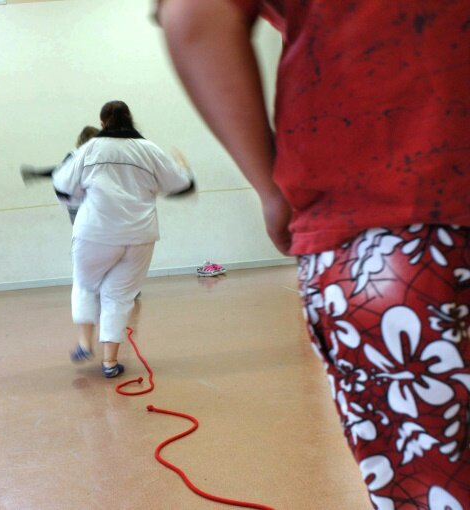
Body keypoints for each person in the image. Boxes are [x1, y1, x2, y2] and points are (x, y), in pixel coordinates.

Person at [158, 0, 470, 507]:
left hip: (386, 222)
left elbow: (195, 13)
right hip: (404, 220)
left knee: (433, 485)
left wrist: (271, 189)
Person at [53, 100, 195, 378]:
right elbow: (180, 184)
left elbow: (62, 186)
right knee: (119, 297)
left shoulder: (89, 148)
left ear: (102, 121)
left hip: (95, 232)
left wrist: (82, 194)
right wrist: (183, 167)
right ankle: (110, 363)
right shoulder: (149, 149)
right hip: (139, 236)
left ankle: (84, 343)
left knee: (85, 284)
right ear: (130, 118)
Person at [20, 125, 100, 224]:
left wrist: (37, 174)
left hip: (78, 203)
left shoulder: (77, 155)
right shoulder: (80, 156)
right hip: (81, 204)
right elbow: (59, 172)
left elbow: (59, 171)